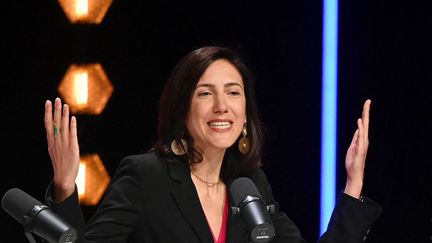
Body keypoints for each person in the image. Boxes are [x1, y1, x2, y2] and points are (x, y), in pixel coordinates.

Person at [43, 46, 381, 243]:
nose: (222, 106)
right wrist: (63, 187)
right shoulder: (146, 176)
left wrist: (352, 186)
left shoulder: (250, 186)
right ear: (182, 109)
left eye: (234, 92)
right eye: (206, 93)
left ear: (245, 114)